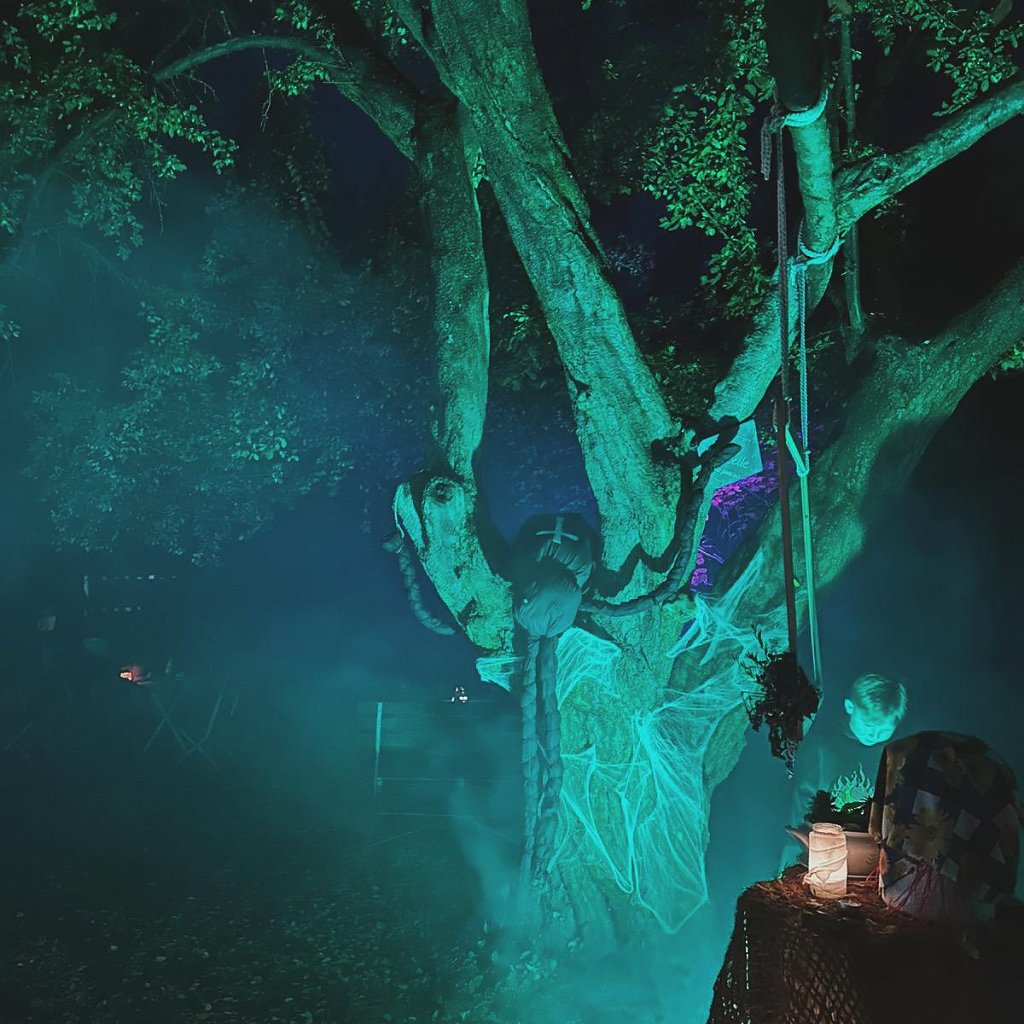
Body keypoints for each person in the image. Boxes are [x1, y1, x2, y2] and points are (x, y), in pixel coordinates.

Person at [781, 673, 908, 870]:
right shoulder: (821, 747)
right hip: (820, 845)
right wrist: (800, 845)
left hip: (871, 852)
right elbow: (803, 798)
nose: (874, 734)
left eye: (884, 730)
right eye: (868, 725)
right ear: (850, 707)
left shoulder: (894, 753)